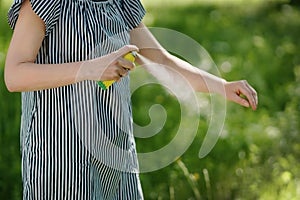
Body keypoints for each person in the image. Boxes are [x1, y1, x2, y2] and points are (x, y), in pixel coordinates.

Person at [5, 0, 258, 199]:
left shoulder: (120, 2)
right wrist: (90, 69)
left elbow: (160, 61)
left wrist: (222, 87)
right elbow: (14, 74)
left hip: (115, 152)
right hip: (60, 153)